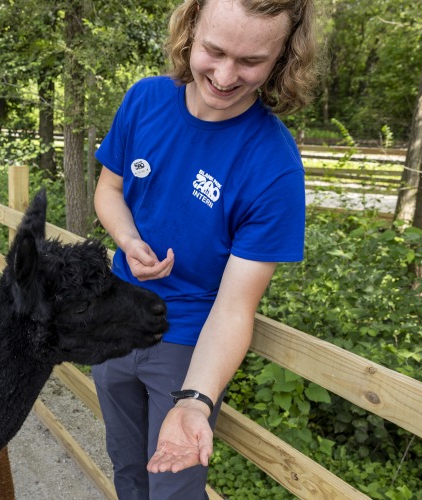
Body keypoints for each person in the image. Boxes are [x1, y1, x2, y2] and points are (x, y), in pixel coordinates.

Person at [91, 0, 318, 498]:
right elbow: (109, 191)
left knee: (172, 486)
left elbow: (237, 306)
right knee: (126, 470)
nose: (224, 74)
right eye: (214, 51)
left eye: (250, 61)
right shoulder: (144, 100)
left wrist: (195, 400)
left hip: (187, 345)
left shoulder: (273, 165)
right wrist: (128, 241)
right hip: (114, 321)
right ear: (190, 30)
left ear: (282, 58)